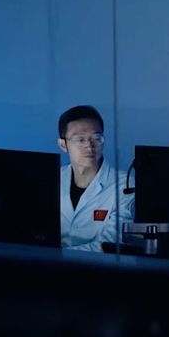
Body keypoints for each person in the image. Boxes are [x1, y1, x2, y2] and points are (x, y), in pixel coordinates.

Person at [57, 105, 134, 252]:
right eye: (80, 139)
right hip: (47, 263)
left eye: (96, 138)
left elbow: (111, 243)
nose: (89, 146)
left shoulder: (126, 185)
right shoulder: (54, 178)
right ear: (63, 144)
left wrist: (58, 256)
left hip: (98, 265)